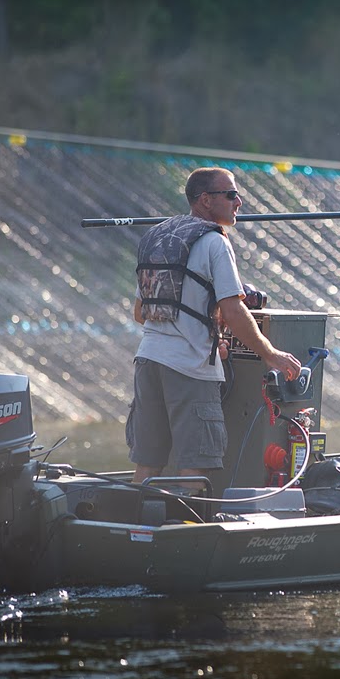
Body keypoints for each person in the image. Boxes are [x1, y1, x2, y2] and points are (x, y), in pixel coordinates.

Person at [128, 167, 302, 484]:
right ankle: (186, 532)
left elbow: (141, 313)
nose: (239, 202)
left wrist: (201, 328)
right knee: (196, 465)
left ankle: (138, 530)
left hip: (148, 362)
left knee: (148, 464)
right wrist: (272, 355)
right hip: (189, 370)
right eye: (231, 195)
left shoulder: (157, 238)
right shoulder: (214, 243)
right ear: (206, 200)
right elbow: (234, 310)